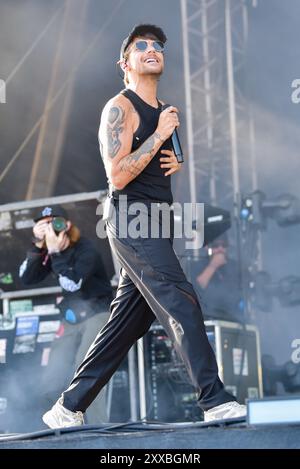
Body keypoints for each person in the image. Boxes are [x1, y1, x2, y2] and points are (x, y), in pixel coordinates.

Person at [42, 24, 246, 428]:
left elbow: (152, 164)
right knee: (180, 298)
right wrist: (160, 135)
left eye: (157, 46)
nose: (152, 50)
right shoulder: (121, 107)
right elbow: (117, 176)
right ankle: (214, 400)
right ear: (126, 64)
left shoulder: (164, 110)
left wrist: (174, 157)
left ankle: (68, 406)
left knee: (126, 324)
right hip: (132, 218)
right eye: (142, 47)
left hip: (157, 219)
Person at [19, 205, 112, 424]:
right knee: (52, 374)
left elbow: (73, 284)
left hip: (97, 313)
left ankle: (100, 430)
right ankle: (59, 430)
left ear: (67, 225)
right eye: (44, 224)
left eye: (55, 222)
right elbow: (26, 278)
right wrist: (37, 245)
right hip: (71, 318)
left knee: (86, 369)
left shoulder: (85, 248)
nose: (51, 228)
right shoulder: (48, 249)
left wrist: (54, 253)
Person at [193, 233, 244, 322]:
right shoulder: (198, 265)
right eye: (215, 245)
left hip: (233, 318)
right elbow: (198, 287)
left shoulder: (235, 266)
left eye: (224, 245)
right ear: (207, 247)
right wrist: (213, 266)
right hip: (208, 317)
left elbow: (241, 291)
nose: (220, 249)